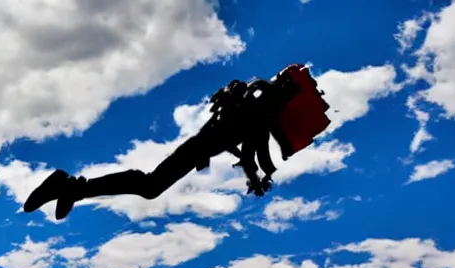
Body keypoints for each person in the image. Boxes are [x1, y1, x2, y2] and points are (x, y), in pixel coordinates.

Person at [24, 68, 309, 220]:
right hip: (197, 148)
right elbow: (252, 155)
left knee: (149, 186)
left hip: (198, 146)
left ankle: (74, 188)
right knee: (149, 186)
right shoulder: (260, 113)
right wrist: (256, 179)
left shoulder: (255, 108)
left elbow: (248, 148)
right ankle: (70, 187)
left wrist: (254, 172)